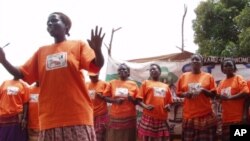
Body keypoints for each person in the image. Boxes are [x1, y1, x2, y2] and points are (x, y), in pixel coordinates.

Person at [0, 12, 105, 141]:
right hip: (49, 119)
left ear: (66, 26)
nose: (50, 23)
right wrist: (3, 60)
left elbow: (96, 65)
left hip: (77, 116)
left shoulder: (78, 45)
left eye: (54, 20)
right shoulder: (41, 52)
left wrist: (98, 50)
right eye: (47, 22)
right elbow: (21, 73)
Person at [176, 54, 218, 141]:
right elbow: (178, 93)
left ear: (201, 63)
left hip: (206, 116)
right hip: (189, 117)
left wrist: (203, 90)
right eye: (193, 59)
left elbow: (214, 94)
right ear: (190, 63)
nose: (195, 61)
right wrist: (185, 94)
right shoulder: (183, 77)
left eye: (197, 59)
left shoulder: (208, 76)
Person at [137, 63, 173, 141]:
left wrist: (168, 106)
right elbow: (138, 100)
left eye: (154, 69)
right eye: (151, 70)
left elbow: (169, 102)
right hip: (149, 117)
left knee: (162, 138)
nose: (152, 71)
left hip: (162, 117)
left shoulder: (166, 86)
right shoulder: (145, 83)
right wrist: (145, 106)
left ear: (159, 71)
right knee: (148, 138)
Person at [103, 63, 138, 141]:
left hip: (129, 117)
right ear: (118, 72)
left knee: (128, 137)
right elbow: (105, 97)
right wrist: (115, 101)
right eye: (120, 70)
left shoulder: (133, 84)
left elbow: (137, 101)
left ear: (128, 73)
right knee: (115, 136)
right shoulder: (112, 83)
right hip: (115, 116)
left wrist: (131, 98)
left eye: (124, 69)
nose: (122, 71)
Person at [217, 58, 249, 141]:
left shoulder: (238, 78)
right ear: (223, 69)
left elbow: (246, 93)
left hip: (239, 118)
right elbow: (218, 97)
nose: (228, 67)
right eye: (226, 66)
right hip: (226, 119)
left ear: (234, 68)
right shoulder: (221, 83)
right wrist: (219, 98)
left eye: (230, 65)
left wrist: (230, 97)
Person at [86, 72, 109, 141]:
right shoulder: (86, 84)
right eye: (90, 76)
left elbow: (109, 98)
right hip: (89, 114)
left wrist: (102, 97)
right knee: (90, 134)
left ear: (98, 74)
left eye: (94, 76)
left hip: (101, 114)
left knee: (100, 135)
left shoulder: (104, 84)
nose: (92, 77)